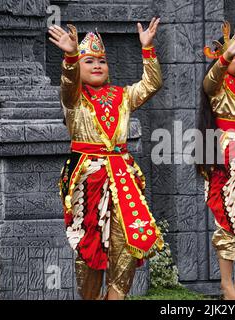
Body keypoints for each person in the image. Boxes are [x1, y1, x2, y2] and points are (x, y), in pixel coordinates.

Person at [48, 17, 164, 300]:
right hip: (88, 180)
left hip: (123, 178)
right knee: (90, 247)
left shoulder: (122, 96)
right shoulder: (73, 98)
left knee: (126, 244)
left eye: (101, 60)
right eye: (89, 61)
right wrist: (71, 55)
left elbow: (152, 84)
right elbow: (67, 81)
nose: (97, 65)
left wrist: (147, 49)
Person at [197, 20, 235, 300]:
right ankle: (226, 284)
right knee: (228, 221)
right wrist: (224, 57)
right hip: (227, 161)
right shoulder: (218, 86)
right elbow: (210, 80)